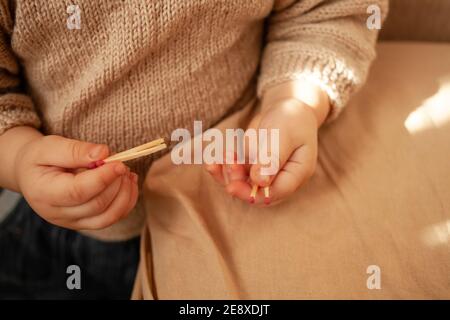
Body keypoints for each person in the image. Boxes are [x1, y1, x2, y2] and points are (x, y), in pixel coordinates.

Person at [0, 0, 388, 298]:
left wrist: (294, 102)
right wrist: (18, 159)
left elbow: (327, 12)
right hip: (59, 240)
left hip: (226, 215)